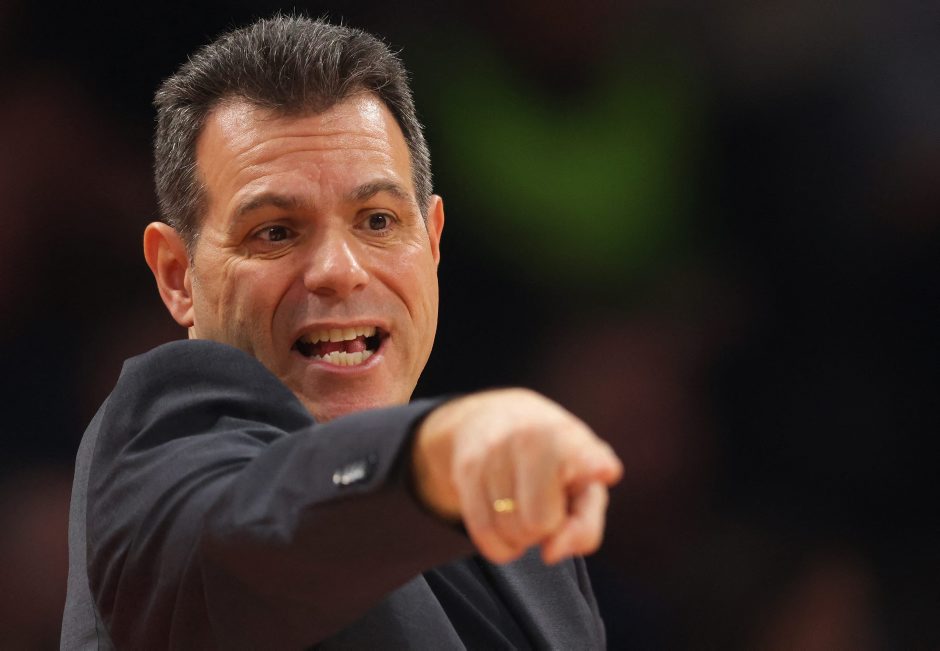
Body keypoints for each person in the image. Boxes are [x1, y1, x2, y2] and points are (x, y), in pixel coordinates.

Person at [62, 15, 622, 649]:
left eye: (378, 221)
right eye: (275, 232)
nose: (338, 270)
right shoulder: (163, 443)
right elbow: (243, 530)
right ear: (177, 276)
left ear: (432, 242)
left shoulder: (519, 529)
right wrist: (428, 459)